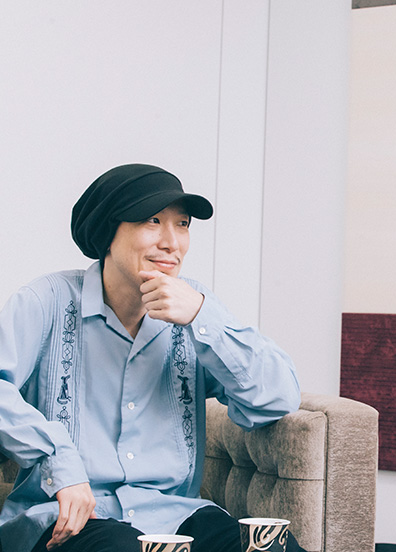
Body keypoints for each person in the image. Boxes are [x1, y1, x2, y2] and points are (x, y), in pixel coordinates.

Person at [0, 164, 305, 552]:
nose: (172, 242)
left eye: (182, 224)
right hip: (69, 519)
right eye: (152, 221)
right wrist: (57, 457)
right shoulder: (47, 301)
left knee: (273, 547)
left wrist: (202, 316)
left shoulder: (194, 308)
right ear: (108, 232)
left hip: (173, 517)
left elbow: (278, 399)